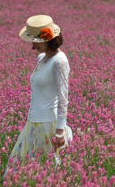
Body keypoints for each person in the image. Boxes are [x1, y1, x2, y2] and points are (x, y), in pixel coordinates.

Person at [5, 14, 73, 175]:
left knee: (45, 171)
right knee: (18, 169)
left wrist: (60, 131)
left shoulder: (60, 61)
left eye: (36, 40)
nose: (33, 45)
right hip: (33, 123)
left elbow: (63, 98)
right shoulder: (42, 58)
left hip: (49, 124)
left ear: (47, 39)